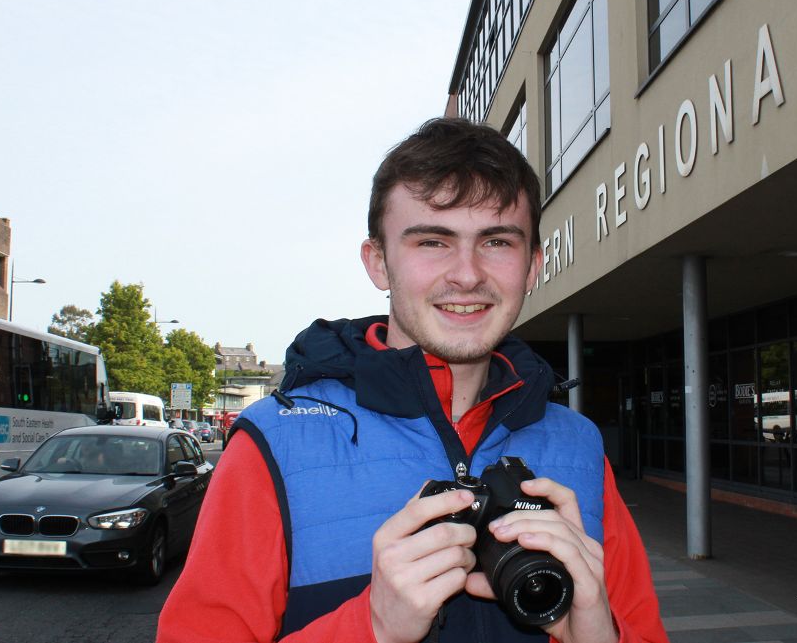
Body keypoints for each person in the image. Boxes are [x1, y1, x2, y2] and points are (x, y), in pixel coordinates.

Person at [157, 118, 668, 643]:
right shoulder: (276, 441)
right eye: (433, 242)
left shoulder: (577, 444)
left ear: (533, 265)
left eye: (496, 241)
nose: (467, 274)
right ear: (378, 262)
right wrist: (369, 626)